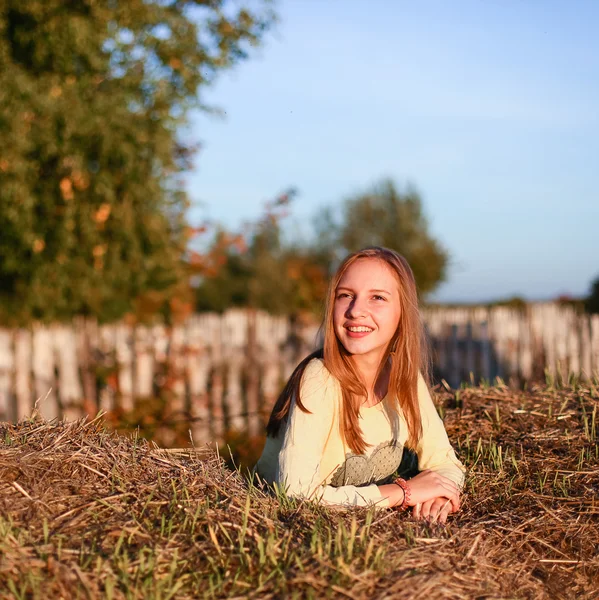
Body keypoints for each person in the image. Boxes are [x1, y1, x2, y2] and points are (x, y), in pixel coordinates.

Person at [255, 247, 465, 523]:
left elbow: (445, 463)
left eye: (377, 297)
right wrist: (405, 492)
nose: (356, 311)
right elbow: (295, 495)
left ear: (403, 312)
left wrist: (440, 495)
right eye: (345, 296)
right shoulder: (318, 379)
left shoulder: (405, 377)